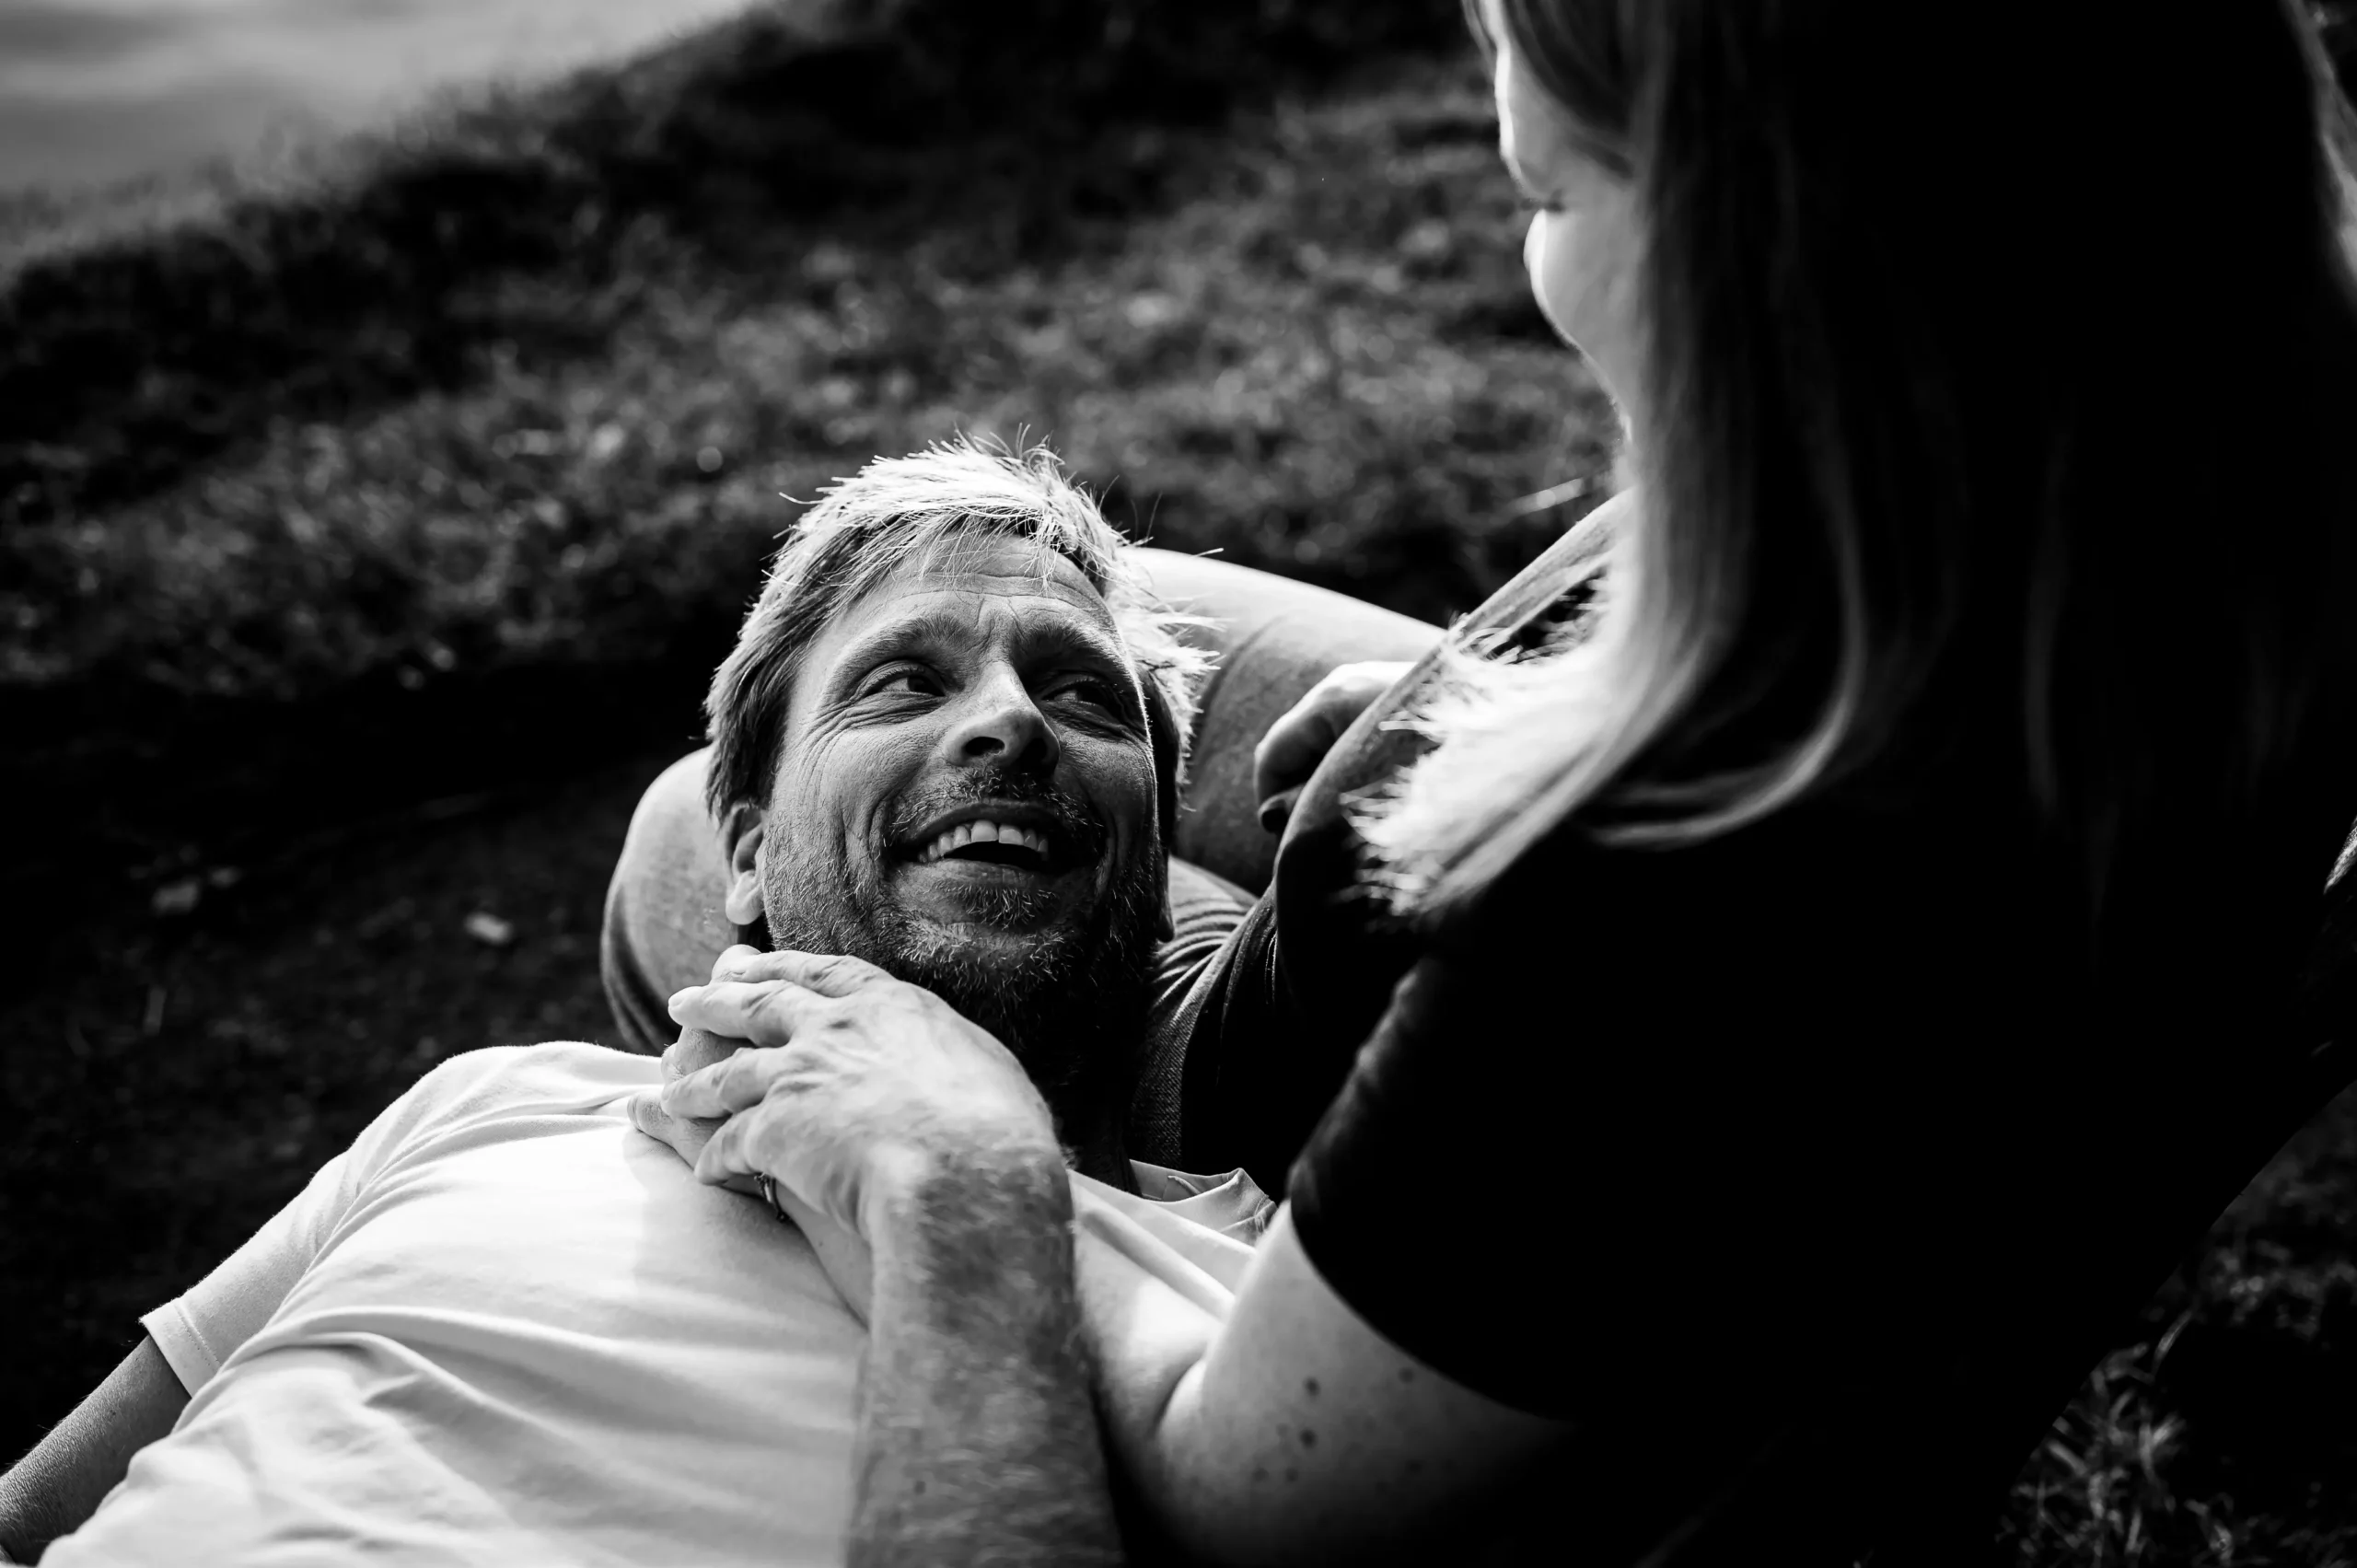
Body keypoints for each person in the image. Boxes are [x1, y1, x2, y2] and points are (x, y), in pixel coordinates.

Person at [634, 0, 2357, 1562]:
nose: (1533, 265)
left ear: (1769, 272)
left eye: (1548, 195)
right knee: (882, 730)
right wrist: (1496, 713)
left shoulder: (1661, 918)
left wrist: (966, 1156)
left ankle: (789, 1231)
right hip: (1416, 903)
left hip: (1301, 1099)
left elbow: (1236, 1489)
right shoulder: (2151, 501)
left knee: (689, 835)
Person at [0, 442, 1289, 1568]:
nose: (1011, 721)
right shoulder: (497, 1097)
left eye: (1083, 693)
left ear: (1162, 871)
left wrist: (963, 1186)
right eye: (902, 682)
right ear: (738, 851)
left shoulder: (1275, 1321)